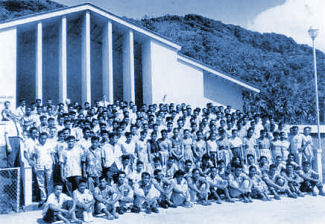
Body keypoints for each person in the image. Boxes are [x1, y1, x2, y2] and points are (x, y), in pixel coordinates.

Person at [31, 132, 55, 205]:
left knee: (49, 182)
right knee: (41, 183)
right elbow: (32, 157)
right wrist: (34, 165)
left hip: (48, 165)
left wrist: (53, 163)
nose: (43, 140)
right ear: (39, 138)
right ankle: (43, 198)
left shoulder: (49, 145)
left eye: (45, 138)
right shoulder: (36, 146)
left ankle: (50, 198)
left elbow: (52, 155)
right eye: (42, 138)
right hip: (39, 165)